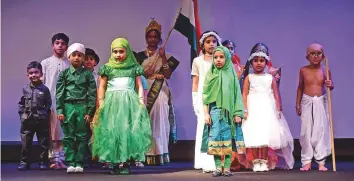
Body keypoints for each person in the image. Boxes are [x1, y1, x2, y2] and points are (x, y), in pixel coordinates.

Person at [92, 38, 152, 174]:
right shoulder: (107, 68)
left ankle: (124, 163)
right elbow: (101, 87)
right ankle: (113, 162)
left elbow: (139, 85)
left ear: (127, 52)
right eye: (115, 52)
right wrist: (101, 103)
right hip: (112, 103)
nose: (118, 54)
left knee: (126, 130)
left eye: (121, 51)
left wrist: (141, 101)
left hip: (128, 103)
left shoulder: (133, 68)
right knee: (112, 130)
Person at [134, 18, 179, 166]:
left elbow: (167, 75)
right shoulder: (139, 56)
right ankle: (143, 153)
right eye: (150, 36)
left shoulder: (167, 57)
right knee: (144, 120)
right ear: (146, 38)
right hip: (144, 88)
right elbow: (138, 73)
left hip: (160, 89)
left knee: (160, 120)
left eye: (155, 36)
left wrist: (163, 56)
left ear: (160, 38)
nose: (152, 39)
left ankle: (159, 153)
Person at [242, 46, 294, 172]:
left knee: (265, 135)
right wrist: (244, 109)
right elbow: (244, 94)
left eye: (262, 60)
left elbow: (276, 94)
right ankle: (256, 161)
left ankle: (264, 161)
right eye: (256, 60)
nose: (259, 63)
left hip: (267, 108)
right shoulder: (249, 77)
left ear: (266, 63)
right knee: (254, 134)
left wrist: (278, 109)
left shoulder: (270, 78)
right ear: (251, 63)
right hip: (253, 107)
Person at [202, 46, 244, 177]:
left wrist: (238, 113)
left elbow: (237, 95)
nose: (218, 60)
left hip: (228, 113)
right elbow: (205, 96)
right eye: (215, 57)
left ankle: (226, 168)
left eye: (221, 57)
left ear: (227, 58)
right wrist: (206, 113)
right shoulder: (210, 74)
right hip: (214, 112)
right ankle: (217, 168)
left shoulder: (231, 75)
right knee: (215, 140)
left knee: (227, 140)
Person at [56, 43, 97, 173]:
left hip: (82, 106)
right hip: (68, 106)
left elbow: (92, 93)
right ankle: (70, 162)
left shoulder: (88, 75)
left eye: (80, 55)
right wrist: (60, 110)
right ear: (69, 57)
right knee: (68, 136)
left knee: (81, 136)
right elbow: (60, 93)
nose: (77, 58)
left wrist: (90, 111)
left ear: (83, 58)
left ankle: (79, 162)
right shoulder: (64, 74)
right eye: (74, 55)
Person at [296, 43, 333, 172]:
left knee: (321, 130)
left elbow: (330, 86)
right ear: (307, 56)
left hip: (321, 101)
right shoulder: (303, 70)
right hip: (307, 101)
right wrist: (298, 104)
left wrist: (330, 84)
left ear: (323, 56)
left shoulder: (325, 70)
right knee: (306, 131)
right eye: (313, 53)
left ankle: (321, 161)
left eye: (319, 53)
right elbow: (300, 87)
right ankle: (306, 161)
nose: (316, 56)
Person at [191, 30, 222, 173]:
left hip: (218, 97)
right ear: (202, 44)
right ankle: (204, 160)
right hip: (203, 98)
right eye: (208, 42)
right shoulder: (197, 61)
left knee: (217, 128)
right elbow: (195, 82)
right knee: (203, 128)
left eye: (213, 41)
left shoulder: (220, 60)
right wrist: (195, 101)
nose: (211, 44)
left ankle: (217, 161)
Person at [41, 33, 70, 169]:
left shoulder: (69, 63)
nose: (60, 45)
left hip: (65, 103)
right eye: (57, 43)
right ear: (53, 45)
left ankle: (62, 158)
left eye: (63, 43)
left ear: (66, 46)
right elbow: (42, 83)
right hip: (50, 102)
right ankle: (53, 159)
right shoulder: (45, 63)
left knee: (63, 132)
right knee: (52, 132)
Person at [18, 61, 51, 171]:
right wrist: (22, 115)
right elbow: (21, 103)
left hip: (41, 120)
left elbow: (49, 103)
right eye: (31, 73)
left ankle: (43, 162)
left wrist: (45, 114)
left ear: (41, 74)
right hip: (28, 121)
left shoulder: (45, 89)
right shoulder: (25, 89)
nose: (33, 75)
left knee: (43, 142)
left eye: (36, 72)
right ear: (28, 75)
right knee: (26, 143)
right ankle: (24, 162)